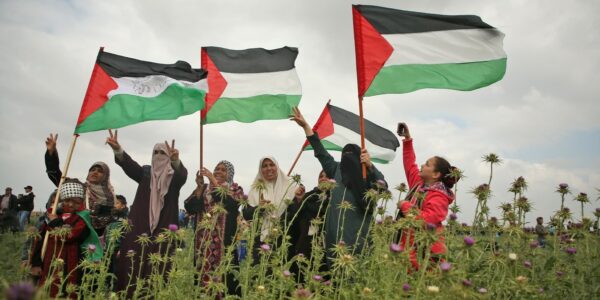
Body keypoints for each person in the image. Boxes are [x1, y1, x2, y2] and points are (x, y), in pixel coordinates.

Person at [290, 107, 385, 258]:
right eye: (344, 155)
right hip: (335, 237)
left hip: (360, 235)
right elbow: (320, 152)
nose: (347, 159)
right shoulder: (336, 170)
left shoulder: (366, 174)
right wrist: (306, 127)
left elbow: (383, 187)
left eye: (351, 156)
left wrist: (370, 165)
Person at [105, 129, 188, 296]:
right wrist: (117, 149)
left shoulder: (174, 177)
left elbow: (182, 175)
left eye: (162, 153)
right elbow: (129, 165)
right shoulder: (145, 173)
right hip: (140, 225)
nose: (158, 155)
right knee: (133, 261)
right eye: (155, 152)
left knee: (159, 265)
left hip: (164, 228)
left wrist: (176, 161)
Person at [395, 123, 457, 270]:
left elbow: (427, 220)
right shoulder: (419, 184)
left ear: (436, 175)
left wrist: (405, 206)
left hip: (426, 253)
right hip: (411, 247)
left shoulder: (439, 196)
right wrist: (407, 140)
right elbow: (410, 164)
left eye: (427, 164)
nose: (422, 165)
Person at [29, 179, 102, 299]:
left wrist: (55, 223)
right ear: (62, 200)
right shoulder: (52, 214)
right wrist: (36, 263)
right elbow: (41, 240)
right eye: (67, 200)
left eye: (76, 202)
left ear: (82, 202)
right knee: (48, 289)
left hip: (71, 263)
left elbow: (70, 235)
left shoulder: (83, 218)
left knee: (67, 290)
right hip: (49, 262)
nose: (71, 204)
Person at [184, 161, 242, 294]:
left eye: (223, 170)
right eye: (216, 169)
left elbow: (231, 205)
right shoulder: (204, 189)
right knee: (201, 276)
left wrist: (213, 181)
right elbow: (191, 208)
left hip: (224, 243)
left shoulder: (235, 189)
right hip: (202, 243)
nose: (218, 172)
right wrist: (199, 187)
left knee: (225, 277)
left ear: (229, 174)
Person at [45, 134, 115, 235]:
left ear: (106, 176)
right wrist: (51, 154)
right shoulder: (79, 188)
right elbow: (56, 175)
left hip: (94, 240)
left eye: (100, 171)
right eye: (92, 170)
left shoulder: (110, 197)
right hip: (71, 232)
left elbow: (106, 223)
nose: (95, 172)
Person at [242, 156, 304, 260]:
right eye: (265, 166)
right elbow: (247, 215)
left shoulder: (292, 187)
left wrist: (299, 200)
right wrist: (260, 208)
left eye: (272, 165)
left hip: (285, 239)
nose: (269, 168)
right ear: (260, 170)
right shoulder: (256, 189)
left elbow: (297, 214)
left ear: (277, 167)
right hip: (261, 241)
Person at [286, 170, 331, 281]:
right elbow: (294, 218)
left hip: (324, 247)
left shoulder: (334, 198)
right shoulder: (309, 196)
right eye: (321, 176)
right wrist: (299, 200)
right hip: (304, 245)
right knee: (302, 278)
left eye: (327, 176)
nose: (323, 178)